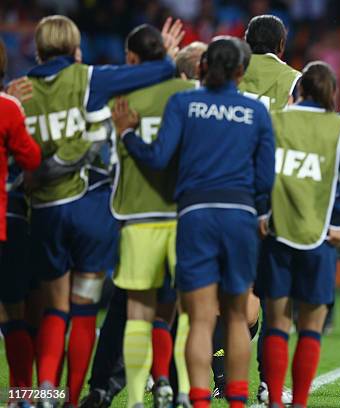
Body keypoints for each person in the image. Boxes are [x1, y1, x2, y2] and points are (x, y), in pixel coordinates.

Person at [20, 15, 183, 406]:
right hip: (92, 209)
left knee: (52, 309)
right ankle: (74, 399)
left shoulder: (21, 91)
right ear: (75, 48)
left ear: (39, 48)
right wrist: (165, 52)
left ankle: (42, 390)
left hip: (44, 210)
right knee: (83, 310)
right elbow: (157, 69)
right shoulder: (88, 78)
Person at [112, 37, 275, 408]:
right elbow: (266, 180)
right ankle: (236, 400)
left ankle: (199, 400)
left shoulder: (183, 103)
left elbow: (158, 158)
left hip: (196, 215)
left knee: (200, 320)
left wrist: (127, 134)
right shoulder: (256, 112)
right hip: (239, 217)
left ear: (201, 68)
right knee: (236, 317)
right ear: (241, 72)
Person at [257, 61, 340, 408]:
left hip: (277, 232)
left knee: (276, 323)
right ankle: (299, 402)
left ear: (298, 90)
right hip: (320, 238)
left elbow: (259, 169)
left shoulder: (276, 120)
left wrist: (262, 210)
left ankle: (274, 398)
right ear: (331, 93)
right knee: (311, 326)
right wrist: (336, 221)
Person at [106, 24, 198, 408]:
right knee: (179, 309)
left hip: (137, 213)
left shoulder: (120, 98)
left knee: (138, 312)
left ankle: (136, 400)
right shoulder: (192, 95)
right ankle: (175, 388)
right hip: (183, 213)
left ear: (130, 58)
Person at [0, 38, 42, 400]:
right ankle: (22, 395)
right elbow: (31, 160)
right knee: (14, 312)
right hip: (5, 222)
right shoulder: (8, 107)